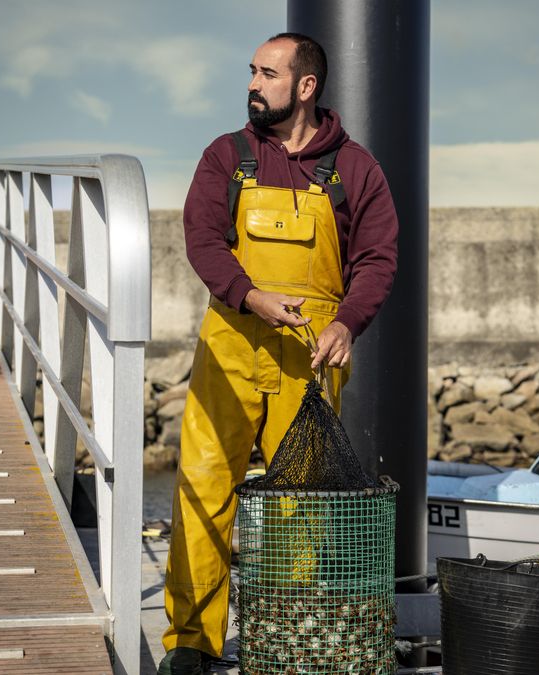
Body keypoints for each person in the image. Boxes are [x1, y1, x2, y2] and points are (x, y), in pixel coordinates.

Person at [159, 32, 399, 674]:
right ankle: (191, 641)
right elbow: (202, 240)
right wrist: (250, 295)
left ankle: (285, 633)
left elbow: (377, 258)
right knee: (204, 485)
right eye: (253, 72)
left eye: (268, 74)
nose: (253, 84)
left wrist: (347, 323)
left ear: (306, 85)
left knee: (300, 502)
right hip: (231, 340)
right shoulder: (226, 156)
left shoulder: (356, 169)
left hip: (310, 356)